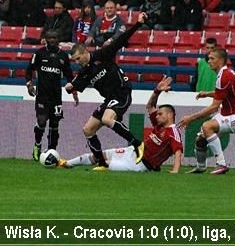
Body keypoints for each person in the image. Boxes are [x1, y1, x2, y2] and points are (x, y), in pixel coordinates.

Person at [65, 12, 149, 170]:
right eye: (74, 61)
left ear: (85, 52)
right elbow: (76, 85)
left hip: (122, 91)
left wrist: (138, 24)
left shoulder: (102, 54)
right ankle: (102, 163)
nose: (77, 63)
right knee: (88, 129)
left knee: (107, 119)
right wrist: (70, 88)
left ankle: (138, 144)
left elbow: (121, 39)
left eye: (77, 59)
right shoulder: (84, 72)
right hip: (109, 99)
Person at [59, 76, 183, 172]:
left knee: (107, 165)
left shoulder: (173, 132)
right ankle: (64, 163)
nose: (157, 115)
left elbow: (178, 152)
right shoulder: (159, 125)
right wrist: (156, 91)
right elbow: (150, 106)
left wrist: (175, 170)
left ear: (170, 115)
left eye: (160, 114)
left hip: (140, 164)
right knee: (100, 157)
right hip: (133, 151)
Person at [178, 47, 235, 175]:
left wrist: (190, 118)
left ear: (221, 60)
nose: (209, 61)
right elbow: (223, 93)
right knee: (201, 139)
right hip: (227, 113)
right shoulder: (225, 73)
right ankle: (201, 167)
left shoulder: (224, 76)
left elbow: (214, 107)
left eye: (212, 58)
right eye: (208, 59)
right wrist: (208, 94)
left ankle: (221, 164)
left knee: (207, 126)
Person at [26, 30, 78, 161]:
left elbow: (69, 76)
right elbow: (29, 69)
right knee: (42, 121)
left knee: (54, 125)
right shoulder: (39, 53)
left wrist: (74, 92)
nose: (53, 40)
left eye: (55, 37)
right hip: (42, 95)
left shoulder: (63, 56)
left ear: (58, 39)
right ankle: (37, 145)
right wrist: (29, 84)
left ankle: (51, 151)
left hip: (56, 97)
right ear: (46, 39)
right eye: (50, 38)